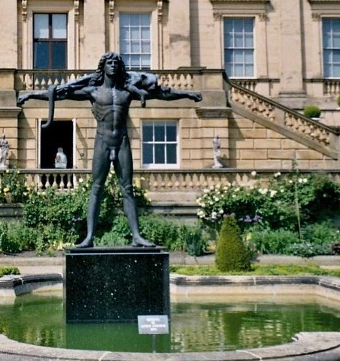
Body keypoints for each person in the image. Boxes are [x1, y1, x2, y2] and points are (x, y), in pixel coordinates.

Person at [18, 52, 202, 248]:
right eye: (109, 63)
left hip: (122, 141)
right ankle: (89, 238)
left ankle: (137, 236)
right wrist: (30, 95)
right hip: (102, 142)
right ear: (103, 67)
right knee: (96, 188)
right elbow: (60, 94)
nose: (113, 65)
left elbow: (163, 94)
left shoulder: (128, 92)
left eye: (116, 62)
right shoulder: (93, 92)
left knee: (128, 189)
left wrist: (188, 94)